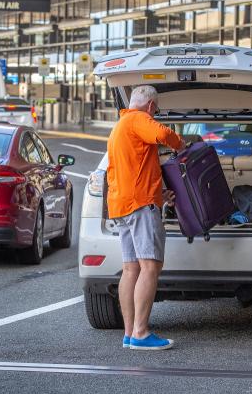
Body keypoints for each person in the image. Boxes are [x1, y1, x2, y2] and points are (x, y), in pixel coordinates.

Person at [106, 85, 184, 351]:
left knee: (131, 269)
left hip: (121, 205)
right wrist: (181, 146)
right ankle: (141, 332)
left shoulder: (120, 125)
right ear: (151, 106)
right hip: (140, 205)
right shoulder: (140, 119)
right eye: (156, 110)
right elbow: (163, 133)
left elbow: (133, 168)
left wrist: (160, 193)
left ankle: (129, 333)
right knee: (150, 267)